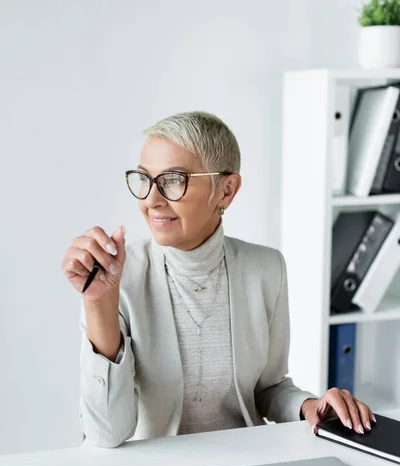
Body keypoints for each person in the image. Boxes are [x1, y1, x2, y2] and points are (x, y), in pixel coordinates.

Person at [61, 111, 375, 448]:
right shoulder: (118, 275)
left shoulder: (266, 268)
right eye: (144, 178)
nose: (151, 199)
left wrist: (308, 406)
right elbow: (105, 434)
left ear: (226, 190)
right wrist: (98, 302)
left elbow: (267, 389)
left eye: (172, 180)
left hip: (241, 462)